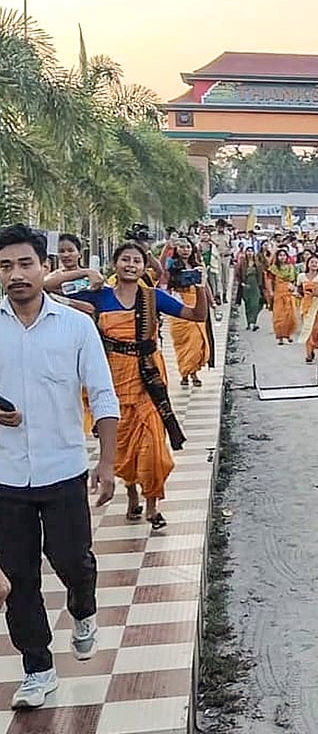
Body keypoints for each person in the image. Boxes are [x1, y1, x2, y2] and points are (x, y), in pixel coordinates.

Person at [0, 225, 120, 709]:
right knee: (18, 577)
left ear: (45, 267)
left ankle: (83, 607)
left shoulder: (76, 326)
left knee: (72, 559)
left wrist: (107, 462)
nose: (15, 275)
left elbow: (104, 395)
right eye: (5, 266)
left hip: (64, 467)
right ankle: (38, 669)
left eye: (25, 264)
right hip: (6, 476)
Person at [50, 242, 210, 531]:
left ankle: (152, 505)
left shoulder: (153, 298)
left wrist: (200, 286)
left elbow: (196, 316)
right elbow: (47, 287)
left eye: (137, 260)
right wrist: (85, 271)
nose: (131, 265)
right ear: (115, 264)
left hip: (149, 379)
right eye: (125, 259)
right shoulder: (100, 296)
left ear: (144, 267)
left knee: (152, 444)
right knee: (122, 445)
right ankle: (132, 493)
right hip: (112, 379)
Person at [165, 239, 212, 388]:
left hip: (197, 304)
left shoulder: (197, 266)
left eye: (188, 247)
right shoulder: (172, 265)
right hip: (179, 307)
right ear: (177, 249)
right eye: (181, 247)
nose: (185, 250)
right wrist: (167, 247)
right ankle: (184, 373)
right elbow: (161, 270)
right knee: (182, 344)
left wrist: (212, 301)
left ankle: (194, 373)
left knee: (197, 342)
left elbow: (205, 285)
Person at [296, 255, 318, 364]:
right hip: (307, 305)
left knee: (317, 328)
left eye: (316, 262)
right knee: (308, 329)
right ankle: (308, 353)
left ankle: (313, 345)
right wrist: (303, 293)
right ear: (307, 264)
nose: (314, 264)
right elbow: (299, 289)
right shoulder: (301, 276)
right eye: (312, 262)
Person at [265, 248, 299, 344]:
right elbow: (269, 280)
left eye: (284, 255)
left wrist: (294, 287)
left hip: (289, 293)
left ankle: (288, 335)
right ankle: (280, 337)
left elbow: (295, 280)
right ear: (277, 257)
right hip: (278, 294)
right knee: (279, 316)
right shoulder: (273, 269)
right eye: (280, 255)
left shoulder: (291, 267)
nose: (282, 257)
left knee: (290, 315)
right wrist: (270, 292)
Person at [234, 246, 266, 331]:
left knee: (256, 305)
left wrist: (262, 286)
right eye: (248, 251)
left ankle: (253, 322)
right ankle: (249, 323)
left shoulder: (258, 264)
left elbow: (262, 275)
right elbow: (237, 274)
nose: (250, 253)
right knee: (248, 305)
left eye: (251, 251)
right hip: (246, 286)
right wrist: (242, 283)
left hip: (255, 285)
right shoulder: (242, 263)